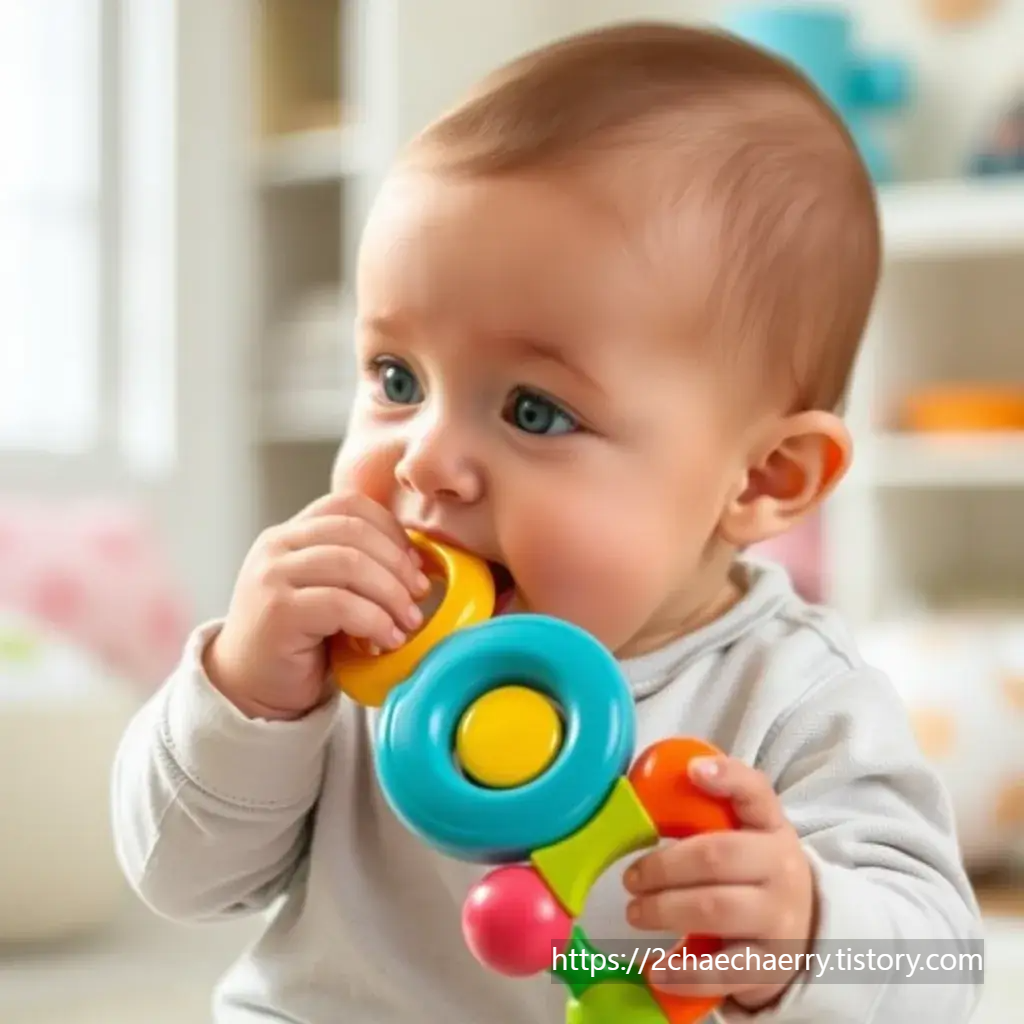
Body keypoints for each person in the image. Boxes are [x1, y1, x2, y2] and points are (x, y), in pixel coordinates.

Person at [111, 22, 984, 1024]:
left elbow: (941, 976)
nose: (424, 459)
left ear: (762, 477)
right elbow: (178, 881)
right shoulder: (339, 651)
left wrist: (805, 930)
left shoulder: (792, 698)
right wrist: (245, 698)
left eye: (534, 410)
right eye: (397, 380)